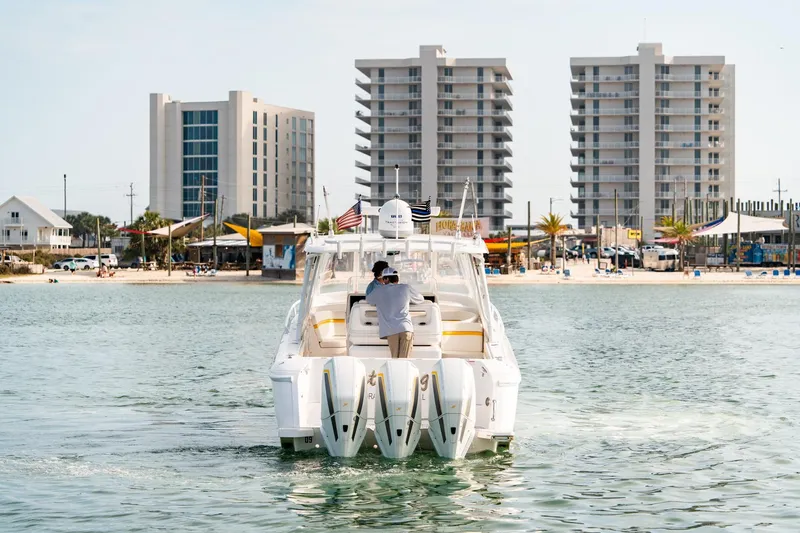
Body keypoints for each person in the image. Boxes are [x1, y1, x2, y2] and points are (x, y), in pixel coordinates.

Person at [366, 267, 424, 359]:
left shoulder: (378, 290)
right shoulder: (405, 288)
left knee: (395, 360)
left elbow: (369, 300)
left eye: (383, 279)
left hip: (391, 331)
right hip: (406, 328)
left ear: (387, 279)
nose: (382, 281)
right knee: (404, 362)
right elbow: (420, 299)